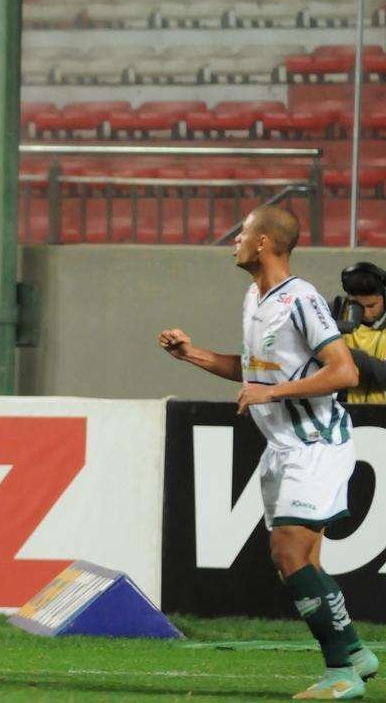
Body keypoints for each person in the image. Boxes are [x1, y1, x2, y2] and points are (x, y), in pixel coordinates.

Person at [158, 205, 377, 699]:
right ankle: (355, 651)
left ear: (264, 244)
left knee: (290, 554)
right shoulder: (254, 297)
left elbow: (344, 372)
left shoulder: (301, 299)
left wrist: (270, 394)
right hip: (282, 447)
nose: (235, 238)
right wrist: (191, 354)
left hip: (315, 443)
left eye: (244, 232)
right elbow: (255, 371)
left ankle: (340, 673)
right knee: (300, 562)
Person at [337, 262, 386, 404]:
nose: (366, 313)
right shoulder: (337, 311)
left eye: (371, 305)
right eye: (357, 306)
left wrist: (336, 349)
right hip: (345, 410)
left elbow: (383, 373)